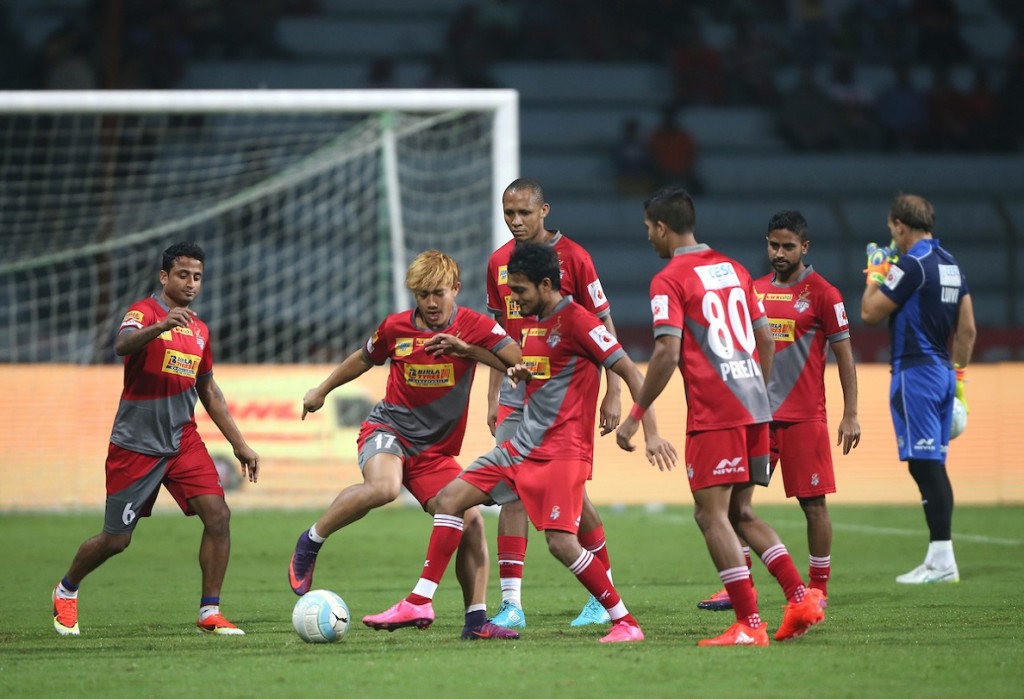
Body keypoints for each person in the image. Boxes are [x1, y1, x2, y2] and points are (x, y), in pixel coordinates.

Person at [362, 242, 677, 643]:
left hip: (561, 455)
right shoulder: (532, 324)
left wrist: (646, 429)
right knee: (451, 499)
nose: (514, 299)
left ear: (546, 285)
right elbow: (521, 369)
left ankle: (624, 621)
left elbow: (632, 371)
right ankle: (420, 600)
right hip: (519, 449)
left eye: (521, 291)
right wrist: (468, 350)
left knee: (561, 543)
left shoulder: (579, 322)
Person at [616, 187, 827, 646]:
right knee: (740, 511)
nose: (649, 238)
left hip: (716, 412)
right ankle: (800, 596)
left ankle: (750, 625)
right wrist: (755, 392)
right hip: (756, 406)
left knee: (710, 516)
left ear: (661, 227)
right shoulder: (733, 268)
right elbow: (766, 341)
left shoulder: (669, 279)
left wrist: (636, 414)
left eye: (649, 229)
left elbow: (668, 351)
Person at [288, 250, 522, 640]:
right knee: (384, 487)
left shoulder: (476, 326)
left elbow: (516, 360)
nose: (431, 303)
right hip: (389, 430)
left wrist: (466, 352)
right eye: (422, 294)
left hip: (435, 452)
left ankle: (476, 621)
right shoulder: (395, 328)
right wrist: (322, 390)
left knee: (471, 521)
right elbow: (363, 358)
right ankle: (311, 541)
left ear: (456, 290)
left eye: (438, 293)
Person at [52, 241, 260, 636]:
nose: (191, 283)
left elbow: (209, 390)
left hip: (182, 440)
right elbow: (121, 345)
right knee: (116, 541)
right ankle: (66, 588)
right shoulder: (142, 313)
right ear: (165, 277)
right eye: (183, 275)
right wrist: (161, 325)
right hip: (136, 444)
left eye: (197, 276)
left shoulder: (200, 330)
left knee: (218, 516)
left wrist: (239, 444)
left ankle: (209, 612)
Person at [697, 210, 861, 612]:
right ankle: (741, 584)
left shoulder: (825, 293)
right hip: (756, 415)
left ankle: (817, 587)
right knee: (735, 506)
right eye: (774, 245)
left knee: (813, 505)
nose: (780, 253)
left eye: (788, 246)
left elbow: (845, 358)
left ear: (805, 247)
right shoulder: (754, 290)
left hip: (805, 416)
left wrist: (850, 413)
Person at [485, 178, 621, 629]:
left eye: (524, 213)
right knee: (511, 488)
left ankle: (604, 594)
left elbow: (601, 321)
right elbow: (498, 334)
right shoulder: (498, 263)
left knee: (573, 495)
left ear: (544, 210)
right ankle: (511, 604)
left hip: (563, 392)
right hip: (515, 390)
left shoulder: (576, 258)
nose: (516, 221)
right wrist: (493, 395)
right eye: (509, 214)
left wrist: (612, 391)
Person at [861, 193, 975, 584]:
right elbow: (968, 329)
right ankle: (937, 557)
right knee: (927, 464)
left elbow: (869, 312)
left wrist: (876, 271)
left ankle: (943, 561)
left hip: (916, 371)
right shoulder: (950, 264)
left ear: (899, 226)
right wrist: (958, 382)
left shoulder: (912, 265)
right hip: (943, 372)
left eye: (892, 228)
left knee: (926, 465)